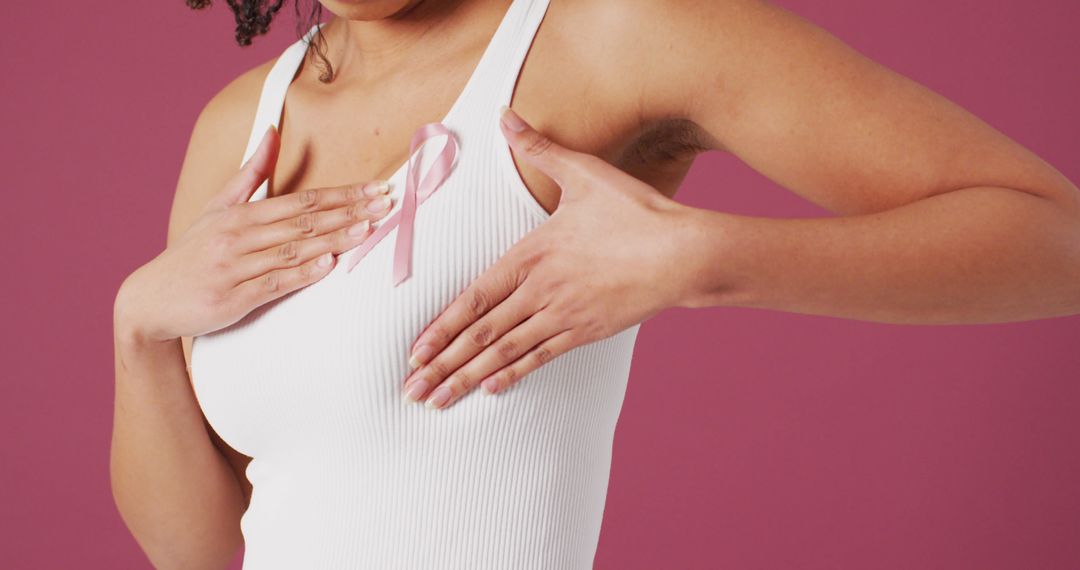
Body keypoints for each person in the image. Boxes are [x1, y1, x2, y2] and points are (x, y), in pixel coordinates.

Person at [110, 0, 1080, 568]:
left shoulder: (601, 34)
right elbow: (198, 555)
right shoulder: (241, 126)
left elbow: (1055, 235)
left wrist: (705, 259)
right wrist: (138, 332)